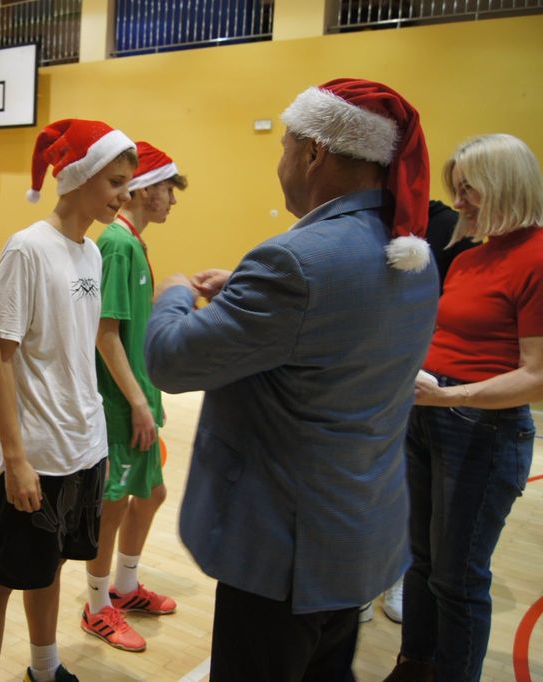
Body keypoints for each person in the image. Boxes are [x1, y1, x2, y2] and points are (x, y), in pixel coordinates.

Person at [144, 78, 439, 681]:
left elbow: (171, 360)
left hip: (283, 553)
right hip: (356, 534)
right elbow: (335, 330)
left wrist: (173, 294)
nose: (279, 160)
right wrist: (245, 293)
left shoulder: (295, 262)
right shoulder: (410, 250)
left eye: (284, 145)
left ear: (313, 153)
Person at [0, 119, 137, 682]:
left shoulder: (91, 254)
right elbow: (0, 356)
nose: (124, 195)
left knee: (54, 564)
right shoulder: (27, 249)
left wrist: (96, 441)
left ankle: (45, 668)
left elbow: (80, 351)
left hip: (83, 447)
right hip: (36, 455)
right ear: (81, 176)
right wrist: (15, 459)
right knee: (1, 578)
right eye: (115, 182)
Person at [386, 134, 543, 682]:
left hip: (482, 428)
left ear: (504, 186)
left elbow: (536, 376)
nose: (458, 202)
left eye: (468, 189)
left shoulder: (536, 257)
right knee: (421, 561)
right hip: (429, 415)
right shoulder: (471, 255)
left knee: (458, 578)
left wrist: (452, 397)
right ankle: (415, 664)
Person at [81, 141, 187, 652]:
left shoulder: (133, 243)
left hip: (140, 400)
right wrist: (138, 403)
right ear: (144, 190)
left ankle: (123, 587)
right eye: (169, 188)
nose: (173, 200)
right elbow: (105, 335)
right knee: (114, 505)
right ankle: (96, 604)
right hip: (122, 406)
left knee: (152, 494)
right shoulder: (118, 244)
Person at [364, 197, 478, 627]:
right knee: (375, 477)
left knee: (411, 488)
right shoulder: (366, 219)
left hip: (425, 376)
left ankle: (401, 571)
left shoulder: (449, 229)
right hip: (374, 367)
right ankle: (371, 573)